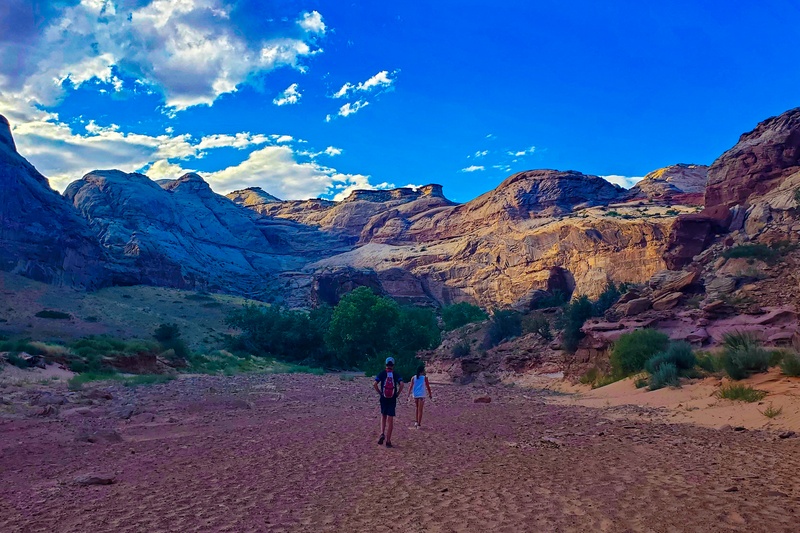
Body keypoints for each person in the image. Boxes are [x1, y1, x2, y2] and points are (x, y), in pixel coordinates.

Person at [373, 357, 404, 448]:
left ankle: (382, 433)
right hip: (392, 398)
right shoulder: (395, 374)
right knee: (390, 420)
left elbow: (374, 384)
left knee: (383, 416)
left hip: (384, 398)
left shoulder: (382, 373)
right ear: (393, 365)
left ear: (386, 364)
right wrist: (397, 393)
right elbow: (401, 384)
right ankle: (388, 441)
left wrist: (380, 392)